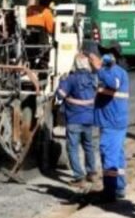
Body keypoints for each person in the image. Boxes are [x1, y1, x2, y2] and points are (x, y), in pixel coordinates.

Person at [89, 42, 130, 202]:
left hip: (112, 122)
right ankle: (118, 188)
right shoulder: (112, 71)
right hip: (113, 121)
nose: (102, 56)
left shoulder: (115, 72)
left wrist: (98, 68)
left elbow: (113, 85)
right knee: (117, 156)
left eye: (105, 53)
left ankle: (110, 192)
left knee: (109, 156)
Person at [56, 54, 98, 184]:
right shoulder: (93, 78)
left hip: (74, 118)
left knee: (72, 148)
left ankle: (79, 176)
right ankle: (91, 173)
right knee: (88, 146)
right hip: (89, 118)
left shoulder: (71, 79)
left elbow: (60, 95)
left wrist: (62, 81)